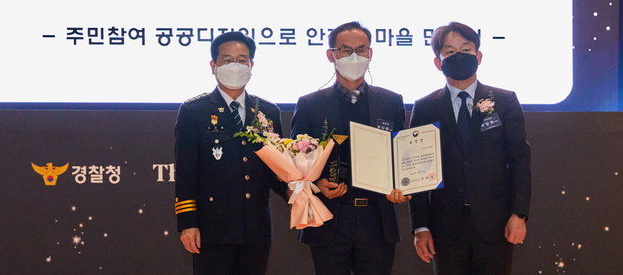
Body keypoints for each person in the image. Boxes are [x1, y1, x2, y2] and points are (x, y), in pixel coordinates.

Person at [409, 21, 531, 275]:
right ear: (438, 62)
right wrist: (421, 227)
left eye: (465, 49)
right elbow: (417, 170)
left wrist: (519, 214)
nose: (459, 55)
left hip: (495, 223)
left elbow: (520, 160)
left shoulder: (504, 101)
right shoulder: (425, 107)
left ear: (478, 56)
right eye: (450, 52)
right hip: (445, 226)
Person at [290, 21, 408, 275]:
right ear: (331, 54)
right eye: (345, 50)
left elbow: (401, 156)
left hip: (377, 219)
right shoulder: (310, 104)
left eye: (361, 49)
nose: (354, 56)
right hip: (329, 218)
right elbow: (295, 166)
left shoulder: (391, 102)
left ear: (370, 53)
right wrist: (316, 184)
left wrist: (403, 186)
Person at [174, 31, 287, 275]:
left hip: (255, 228)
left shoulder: (268, 112)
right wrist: (188, 223)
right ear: (213, 66)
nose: (234, 66)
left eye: (241, 60)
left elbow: (276, 169)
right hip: (212, 228)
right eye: (226, 60)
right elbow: (186, 173)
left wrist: (296, 189)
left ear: (251, 65)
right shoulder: (194, 111)